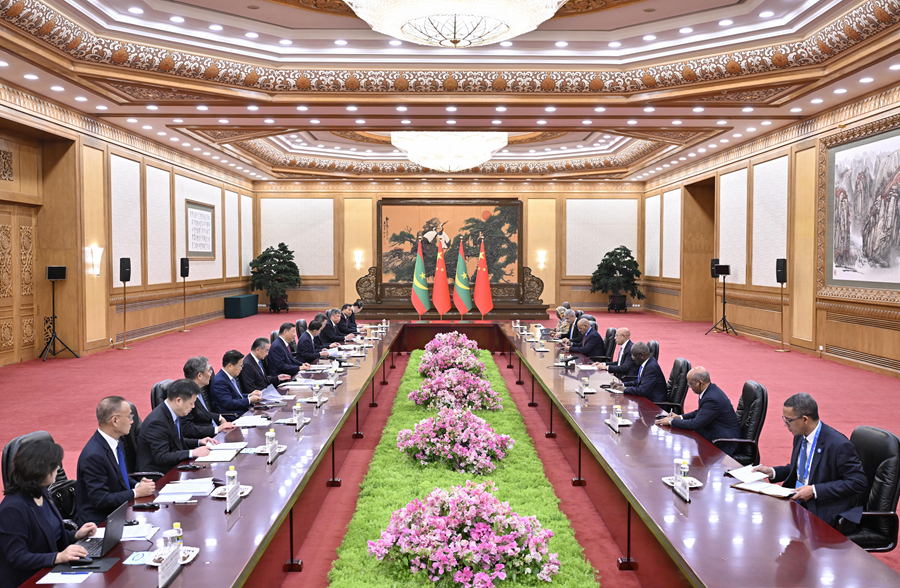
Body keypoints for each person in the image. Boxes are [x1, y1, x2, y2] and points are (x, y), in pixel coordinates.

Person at [753, 393, 867, 528]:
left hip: (825, 507)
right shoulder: (800, 435)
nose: (786, 425)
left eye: (788, 420)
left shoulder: (839, 445)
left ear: (805, 419)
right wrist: (772, 471)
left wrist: (814, 491)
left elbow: (858, 482)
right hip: (797, 499)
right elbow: (802, 468)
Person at [0, 439, 98, 588]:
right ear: (39, 469)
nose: (59, 468)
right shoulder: (13, 509)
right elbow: (16, 557)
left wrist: (76, 535)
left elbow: (51, 534)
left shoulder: (43, 493)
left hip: (50, 572)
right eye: (54, 465)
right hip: (28, 580)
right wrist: (57, 557)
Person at [75, 397, 156, 525]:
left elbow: (119, 476)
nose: (132, 421)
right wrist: (136, 492)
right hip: (100, 523)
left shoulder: (116, 443)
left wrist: (138, 484)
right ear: (115, 420)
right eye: (129, 416)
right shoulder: (94, 456)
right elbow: (101, 500)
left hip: (118, 512)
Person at [656, 368, 742, 457]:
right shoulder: (709, 391)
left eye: (691, 383)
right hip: (714, 432)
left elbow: (695, 424)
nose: (689, 386)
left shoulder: (712, 398)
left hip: (725, 441)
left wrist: (671, 422)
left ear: (700, 383)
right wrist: (680, 417)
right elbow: (700, 412)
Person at [137, 379, 217, 473]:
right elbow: (162, 457)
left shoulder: (174, 412)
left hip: (174, 466)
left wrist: (199, 442)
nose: (193, 406)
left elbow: (177, 442)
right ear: (178, 401)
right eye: (191, 403)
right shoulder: (157, 422)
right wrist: (192, 452)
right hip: (158, 474)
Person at [182, 356, 236, 438]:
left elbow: (203, 413)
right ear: (199, 376)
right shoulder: (186, 396)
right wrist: (217, 429)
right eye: (208, 372)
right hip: (204, 439)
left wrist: (219, 417)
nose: (210, 375)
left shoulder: (198, 390)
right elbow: (187, 428)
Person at [210, 350, 262, 415]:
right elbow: (228, 403)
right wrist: (249, 400)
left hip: (241, 410)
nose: (241, 369)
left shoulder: (230, 376)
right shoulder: (220, 381)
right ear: (230, 366)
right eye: (240, 366)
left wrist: (249, 395)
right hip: (233, 415)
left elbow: (236, 397)